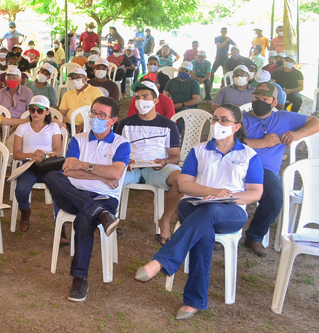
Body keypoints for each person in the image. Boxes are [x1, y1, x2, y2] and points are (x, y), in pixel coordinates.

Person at [134, 104, 263, 320]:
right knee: (204, 230)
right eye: (215, 119)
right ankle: (194, 301)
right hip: (194, 205)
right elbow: (184, 184)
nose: (217, 124)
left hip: (232, 211)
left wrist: (225, 198)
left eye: (224, 120)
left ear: (236, 126)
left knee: (212, 210)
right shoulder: (199, 150)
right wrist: (211, 191)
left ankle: (163, 261)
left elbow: (255, 193)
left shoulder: (249, 155)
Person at [44, 97, 128, 302]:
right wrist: (102, 175)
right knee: (52, 176)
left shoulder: (121, 144)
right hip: (73, 195)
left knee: (84, 219)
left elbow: (116, 174)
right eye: (93, 113)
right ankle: (97, 212)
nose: (95, 118)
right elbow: (67, 169)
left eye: (102, 115)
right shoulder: (78, 139)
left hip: (105, 198)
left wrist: (84, 167)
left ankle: (79, 278)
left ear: (112, 120)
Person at [241, 82, 319, 256]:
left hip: (264, 170)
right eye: (257, 98)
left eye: (265, 99)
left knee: (275, 195)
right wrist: (262, 143)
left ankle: (254, 236)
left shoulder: (285, 118)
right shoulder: (241, 118)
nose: (259, 101)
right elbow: (228, 143)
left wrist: (296, 134)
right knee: (221, 189)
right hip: (238, 165)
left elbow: (316, 122)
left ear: (274, 102)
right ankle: (220, 232)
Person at [115, 81, 182, 244]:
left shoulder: (169, 125)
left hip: (157, 169)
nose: (140, 101)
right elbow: (114, 151)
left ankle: (165, 220)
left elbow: (175, 156)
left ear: (156, 101)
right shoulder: (124, 124)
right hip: (131, 169)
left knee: (182, 181)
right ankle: (110, 218)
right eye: (137, 97)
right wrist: (124, 160)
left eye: (145, 97)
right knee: (109, 178)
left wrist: (164, 161)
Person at [12, 95, 64, 232]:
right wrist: (32, 156)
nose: (35, 113)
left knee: (60, 189)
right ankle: (25, 212)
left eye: (40, 110)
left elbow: (58, 152)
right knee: (21, 190)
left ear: (47, 112)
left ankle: (61, 226)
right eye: (32, 109)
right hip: (29, 164)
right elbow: (16, 153)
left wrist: (44, 156)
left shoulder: (53, 127)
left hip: (49, 164)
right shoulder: (22, 128)